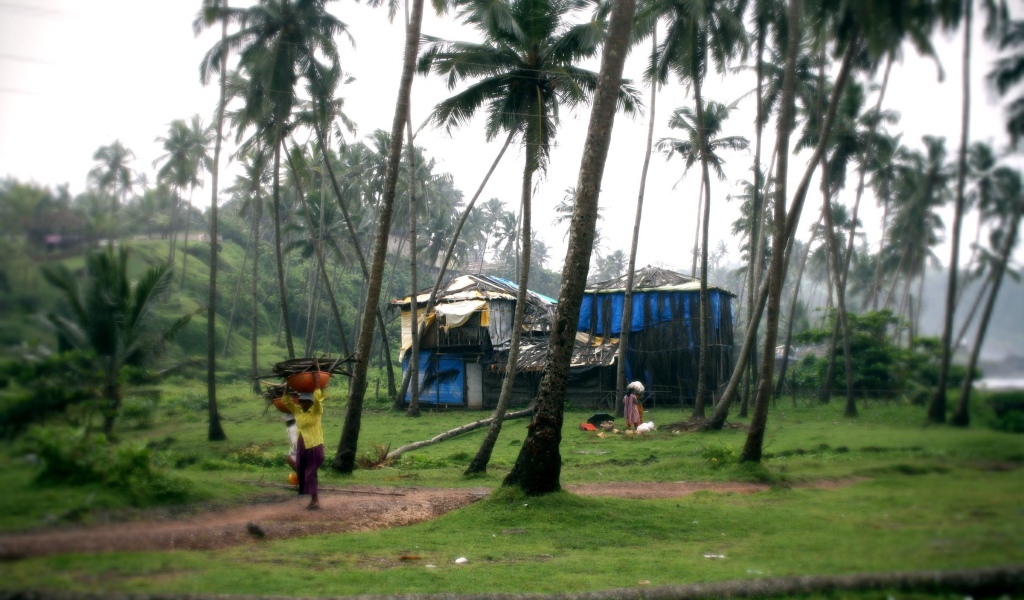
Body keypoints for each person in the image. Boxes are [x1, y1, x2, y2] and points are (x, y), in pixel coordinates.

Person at [283, 388, 326, 509]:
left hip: (314, 446)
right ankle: (312, 496)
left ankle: (315, 500)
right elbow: (286, 402)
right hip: (302, 446)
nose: (304, 403)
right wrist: (287, 386)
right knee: (301, 471)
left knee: (310, 473)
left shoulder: (316, 411)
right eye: (302, 401)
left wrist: (317, 385)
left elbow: (318, 400)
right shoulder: (297, 411)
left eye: (307, 401)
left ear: (311, 403)